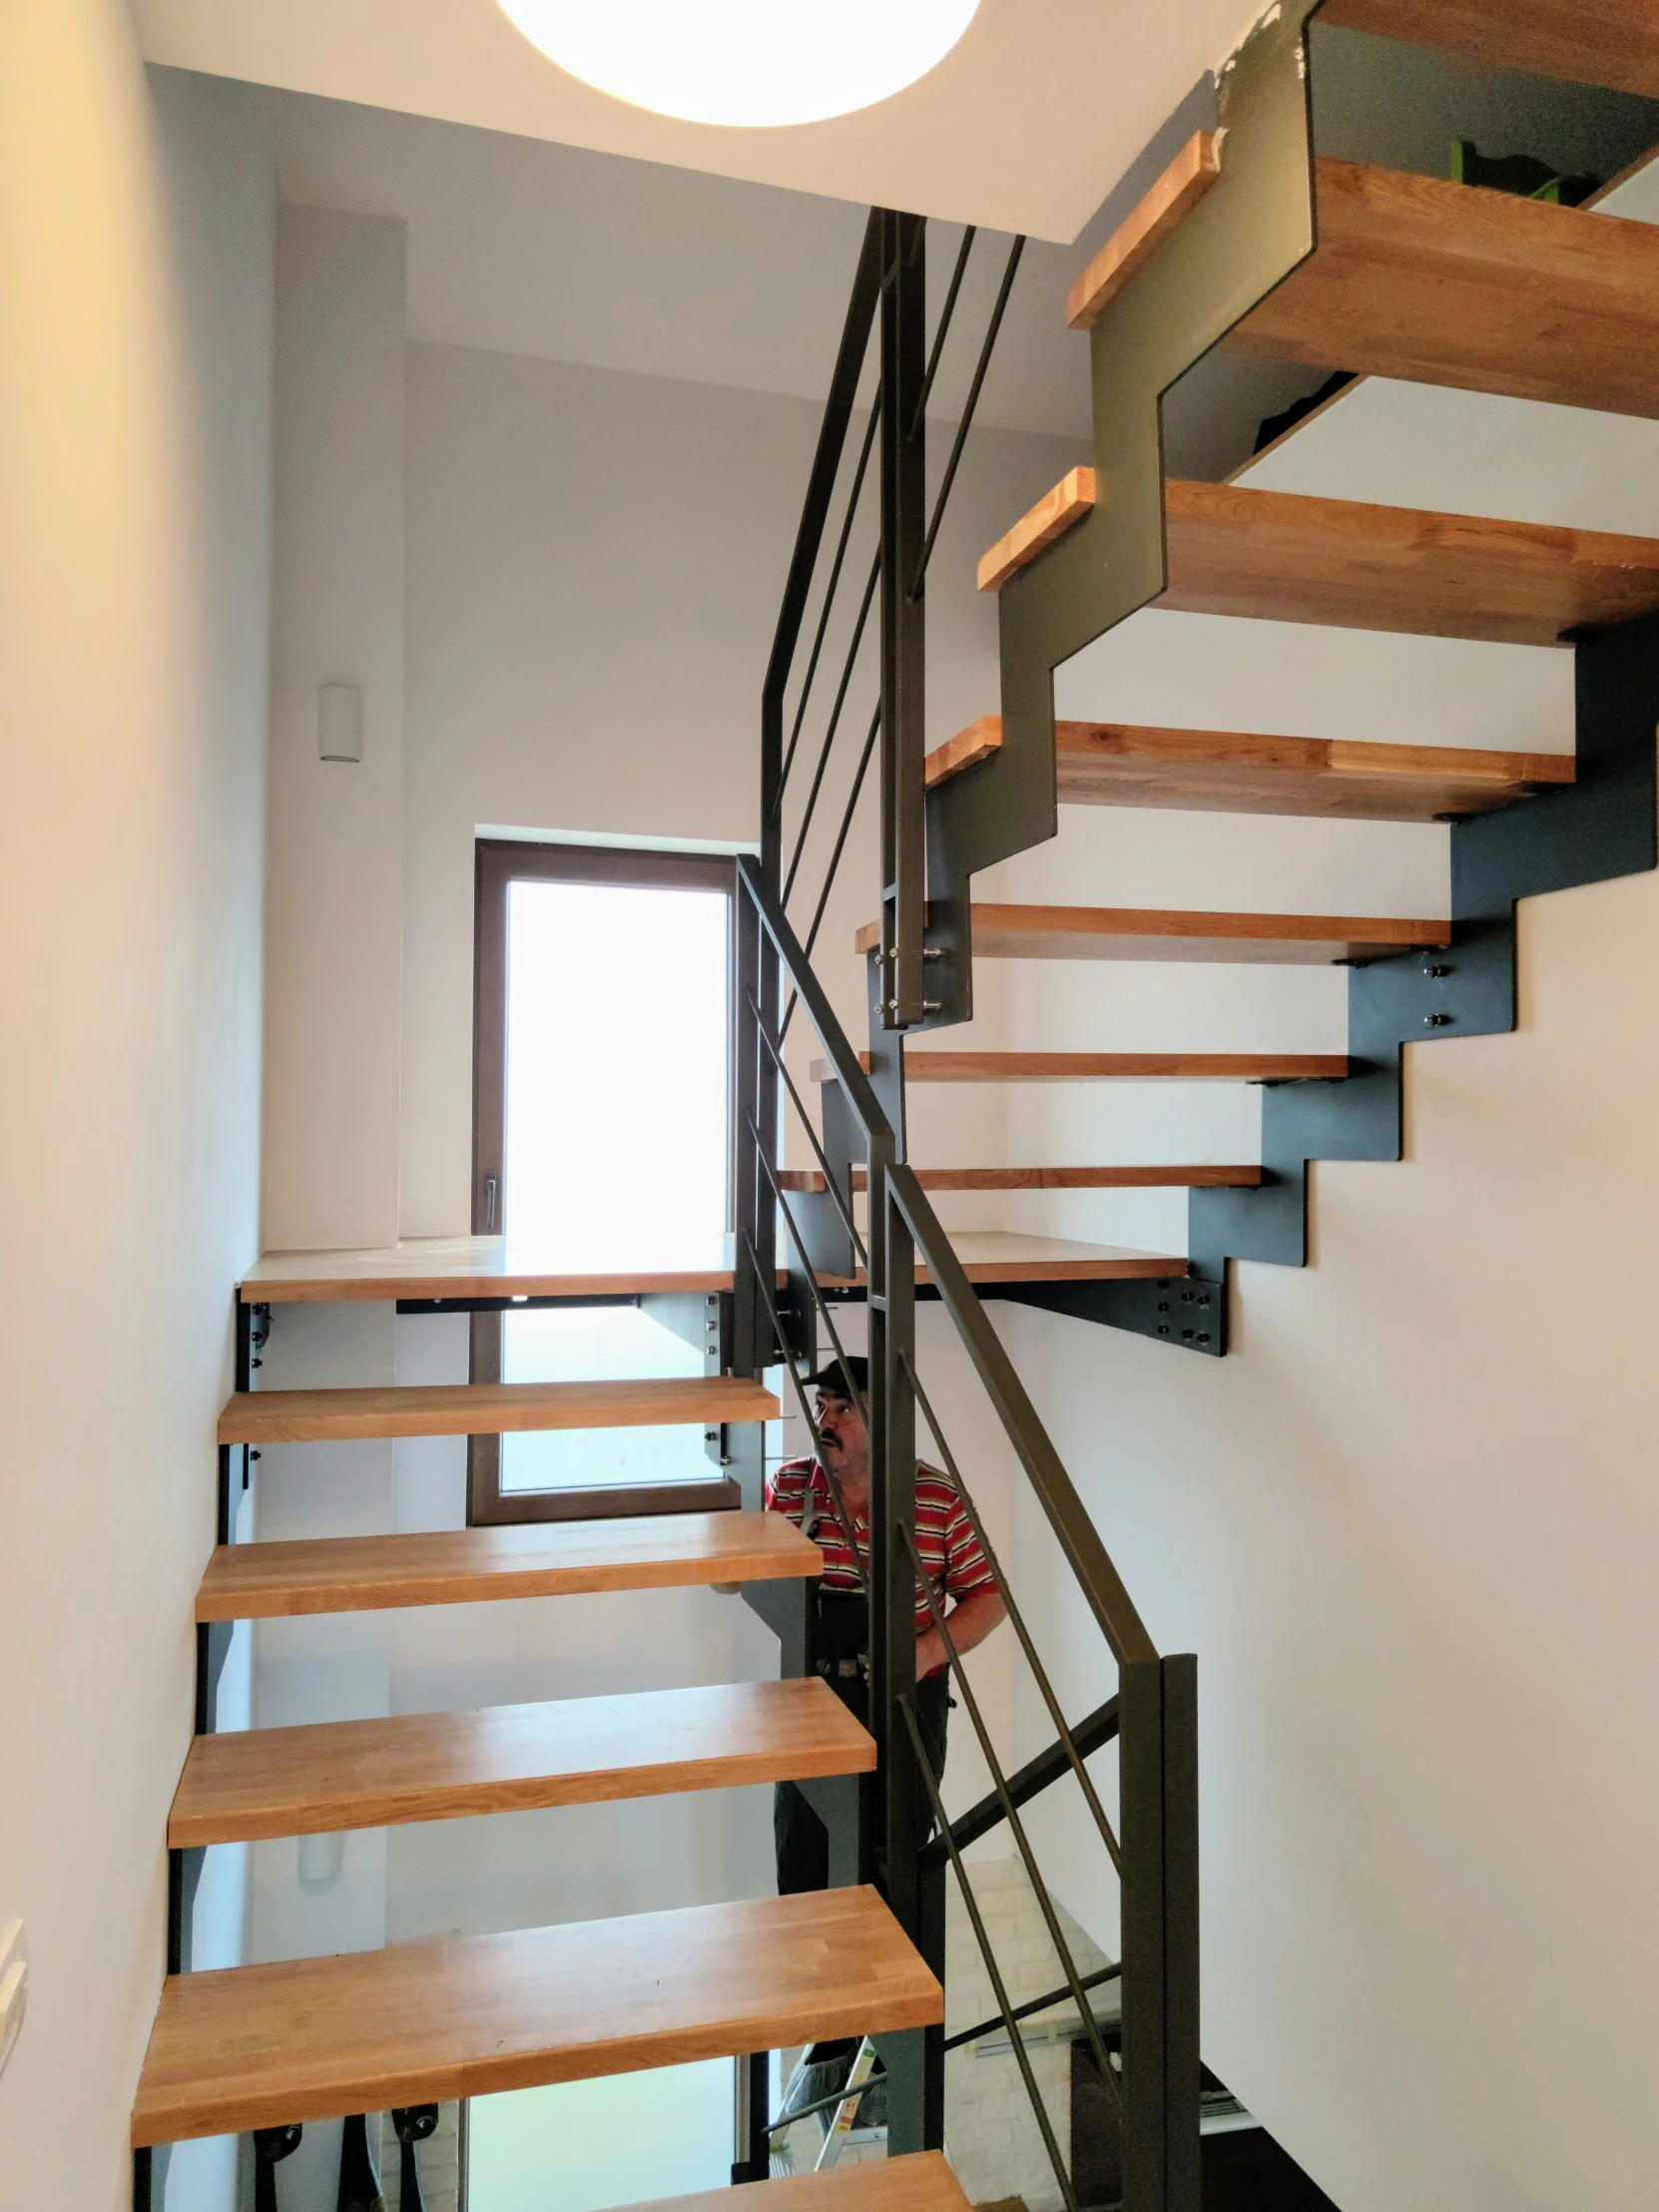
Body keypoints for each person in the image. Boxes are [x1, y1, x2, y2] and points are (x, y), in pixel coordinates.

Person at [768, 1355, 1007, 1897]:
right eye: (821, 1406)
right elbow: (744, 1579)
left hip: (902, 1703)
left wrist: (926, 1652)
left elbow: (989, 1597)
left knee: (890, 1868)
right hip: (812, 1699)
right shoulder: (789, 1487)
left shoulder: (937, 1498)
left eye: (845, 1408)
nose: (825, 1422)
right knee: (803, 1860)